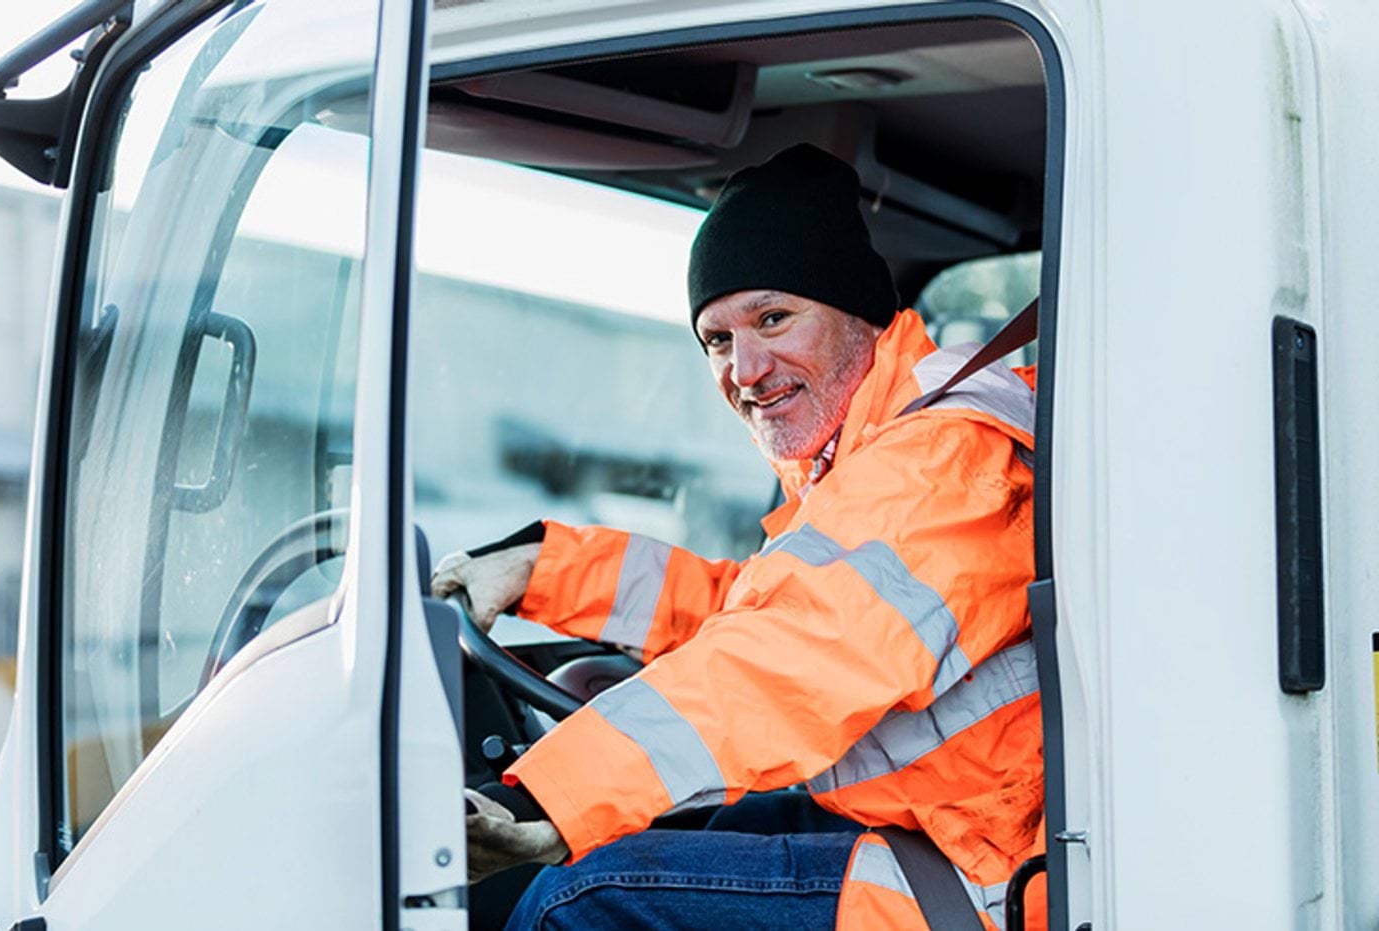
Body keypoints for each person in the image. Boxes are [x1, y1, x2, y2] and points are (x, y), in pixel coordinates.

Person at [434, 144, 1044, 930]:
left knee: (575, 904)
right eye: (717, 340)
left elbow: (789, 661)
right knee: (690, 834)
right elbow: (762, 615)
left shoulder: (943, 461)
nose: (746, 368)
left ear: (858, 313)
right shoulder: (866, 457)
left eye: (772, 318)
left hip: (988, 876)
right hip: (933, 828)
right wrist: (543, 569)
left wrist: (553, 797)